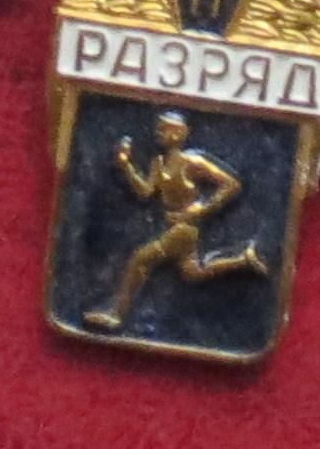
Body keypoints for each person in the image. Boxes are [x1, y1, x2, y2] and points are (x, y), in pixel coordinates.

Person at [84, 110, 267, 330]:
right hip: (173, 225)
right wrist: (126, 166)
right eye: (158, 129)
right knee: (192, 273)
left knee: (140, 259)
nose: (158, 133)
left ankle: (116, 315)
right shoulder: (158, 163)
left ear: (178, 133)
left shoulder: (192, 162)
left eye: (164, 129)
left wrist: (202, 209)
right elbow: (145, 192)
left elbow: (231, 184)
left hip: (185, 228)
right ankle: (243, 260)